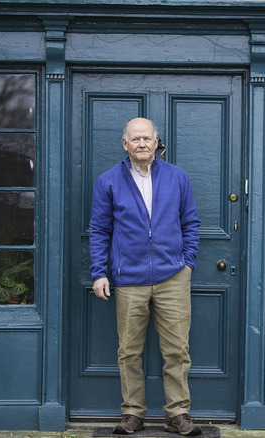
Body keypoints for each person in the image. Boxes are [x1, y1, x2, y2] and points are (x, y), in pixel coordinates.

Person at [89, 118, 202, 436]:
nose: (142, 143)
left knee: (177, 350)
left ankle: (177, 413)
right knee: (129, 350)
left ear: (157, 142)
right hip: (128, 279)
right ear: (124, 144)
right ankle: (133, 414)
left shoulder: (177, 177)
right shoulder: (108, 181)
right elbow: (99, 230)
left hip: (172, 277)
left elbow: (190, 223)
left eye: (147, 138)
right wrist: (100, 272)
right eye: (135, 138)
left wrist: (187, 263)